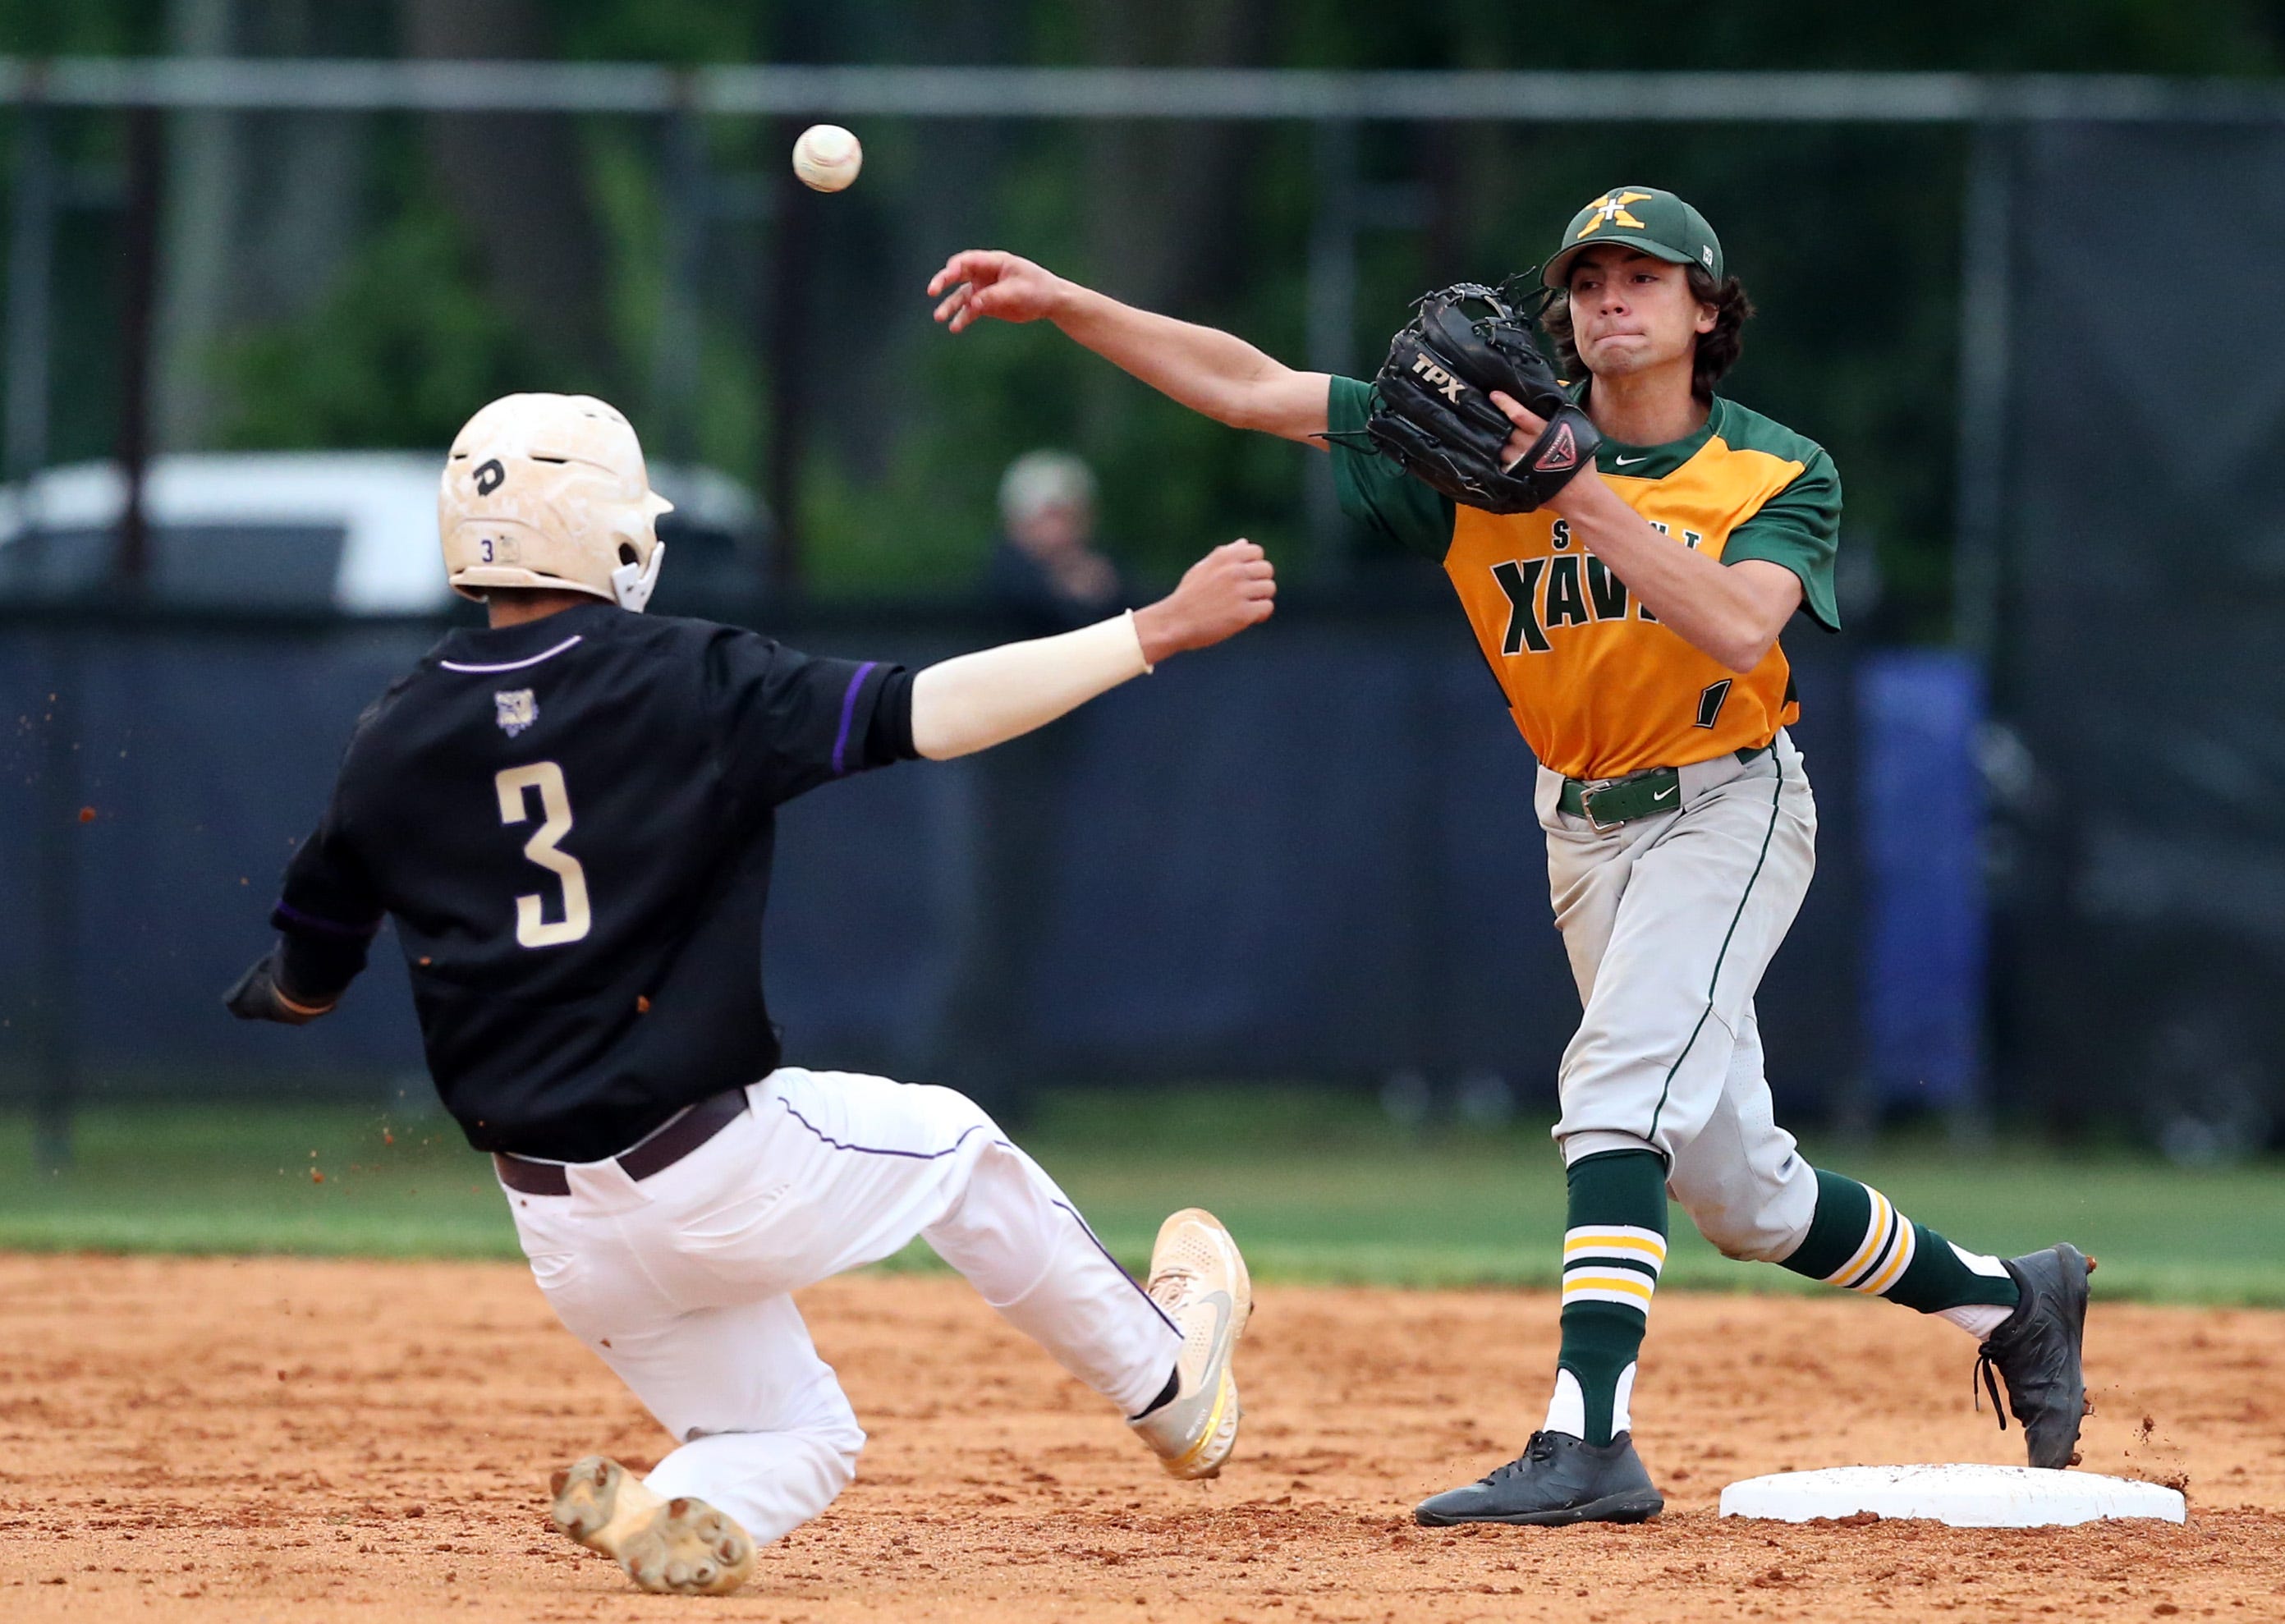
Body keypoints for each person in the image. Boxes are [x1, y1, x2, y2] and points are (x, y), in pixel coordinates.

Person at [927, 186, 2090, 1528]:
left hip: (1727, 804)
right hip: (1581, 824)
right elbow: (1249, 387)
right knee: (1739, 1191)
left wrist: (1574, 493)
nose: (1609, 297)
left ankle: (1586, 1434)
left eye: (1644, 279)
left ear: (1703, 314)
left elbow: (1733, 625)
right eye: (1589, 278)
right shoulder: (1473, 456)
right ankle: (2013, 1297)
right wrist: (1070, 301)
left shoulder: (1774, 470)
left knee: (1613, 1086)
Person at [223, 393, 1272, 1593]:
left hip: (558, 1230)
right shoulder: (687, 675)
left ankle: (675, 1504)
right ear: (601, 530)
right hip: (714, 1166)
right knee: (961, 1147)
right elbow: (926, 713)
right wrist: (1151, 629)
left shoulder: (392, 732)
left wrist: (268, 994)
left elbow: (307, 973)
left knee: (796, 1434)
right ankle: (1167, 1383)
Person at [984, 449, 1128, 635]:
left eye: (1073, 517)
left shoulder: (1110, 574)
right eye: (1052, 516)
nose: (1061, 530)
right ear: (1016, 523)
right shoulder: (1002, 588)